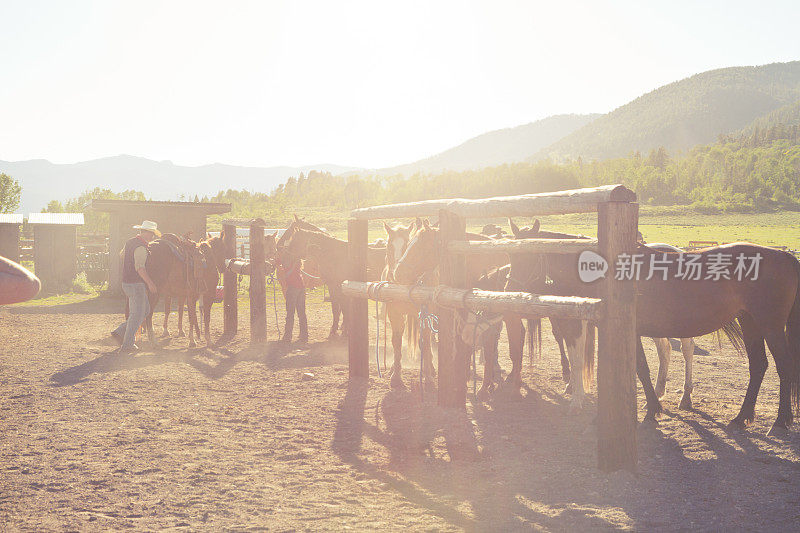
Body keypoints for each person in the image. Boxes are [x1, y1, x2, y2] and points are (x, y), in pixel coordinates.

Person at [111, 220, 160, 354]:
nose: (153, 237)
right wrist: (150, 283)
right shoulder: (141, 248)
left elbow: (122, 256)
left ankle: (120, 331)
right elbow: (140, 268)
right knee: (137, 314)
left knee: (144, 311)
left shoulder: (130, 242)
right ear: (146, 233)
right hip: (136, 284)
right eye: (152, 234)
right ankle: (127, 344)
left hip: (127, 282)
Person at [277, 251, 308, 343]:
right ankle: (304, 335)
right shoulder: (297, 258)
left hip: (292, 287)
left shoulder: (286, 258)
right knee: (301, 313)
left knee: (290, 313)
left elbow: (277, 263)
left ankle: (287, 336)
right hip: (301, 287)